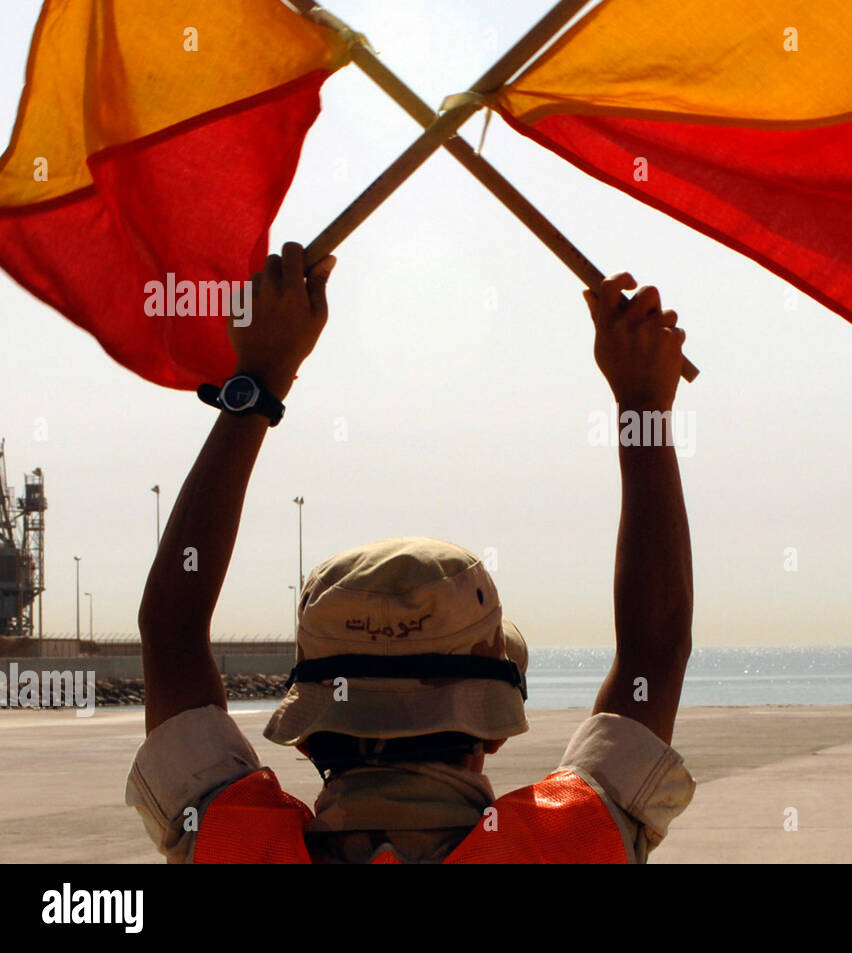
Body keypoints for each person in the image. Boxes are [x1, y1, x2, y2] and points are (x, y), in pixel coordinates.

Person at [125, 242, 696, 863]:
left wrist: (257, 381)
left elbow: (170, 632)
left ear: (308, 736)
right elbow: (657, 646)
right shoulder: (564, 843)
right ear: (494, 731)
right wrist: (644, 407)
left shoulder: (232, 845)